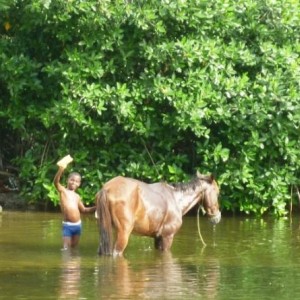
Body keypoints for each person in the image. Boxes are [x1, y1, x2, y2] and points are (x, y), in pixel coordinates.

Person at [54, 156, 96, 250]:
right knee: (66, 249)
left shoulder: (77, 196)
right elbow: (56, 182)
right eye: (72, 180)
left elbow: (84, 210)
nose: (73, 182)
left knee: (74, 249)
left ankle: (75, 264)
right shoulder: (63, 191)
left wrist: (97, 207)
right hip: (67, 226)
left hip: (77, 225)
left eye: (76, 181)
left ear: (79, 184)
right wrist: (61, 169)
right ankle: (66, 264)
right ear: (67, 180)